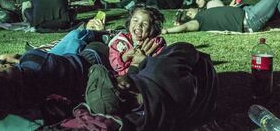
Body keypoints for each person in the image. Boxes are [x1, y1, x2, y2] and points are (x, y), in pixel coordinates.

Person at [88, 42, 218, 130]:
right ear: (123, 84)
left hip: (198, 114)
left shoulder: (138, 121)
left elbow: (135, 87)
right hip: (206, 81)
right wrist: (146, 60)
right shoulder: (159, 69)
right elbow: (187, 49)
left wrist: (134, 67)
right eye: (113, 76)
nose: (114, 73)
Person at [162, 0, 280, 36]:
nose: (193, 6)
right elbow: (186, 27)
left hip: (248, 13)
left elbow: (223, 11)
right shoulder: (199, 20)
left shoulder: (207, 11)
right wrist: (167, 30)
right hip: (250, 18)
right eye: (190, 8)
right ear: (189, 14)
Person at [108, 5, 166, 75]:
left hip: (145, 78)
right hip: (124, 79)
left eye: (145, 24)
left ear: (152, 29)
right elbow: (114, 66)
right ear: (129, 22)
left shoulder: (155, 44)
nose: (139, 25)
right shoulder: (119, 42)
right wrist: (125, 56)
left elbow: (160, 64)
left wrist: (145, 59)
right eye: (135, 20)